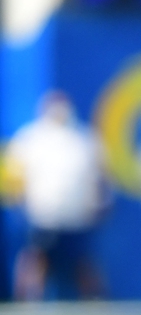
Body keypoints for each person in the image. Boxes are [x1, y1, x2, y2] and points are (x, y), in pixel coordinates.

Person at [1, 91, 107, 300]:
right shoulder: (30, 139)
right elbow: (14, 175)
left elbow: (98, 178)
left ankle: (96, 303)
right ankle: (25, 303)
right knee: (36, 260)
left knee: (82, 263)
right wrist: (17, 202)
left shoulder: (83, 139)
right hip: (43, 214)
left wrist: (98, 204)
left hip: (76, 217)